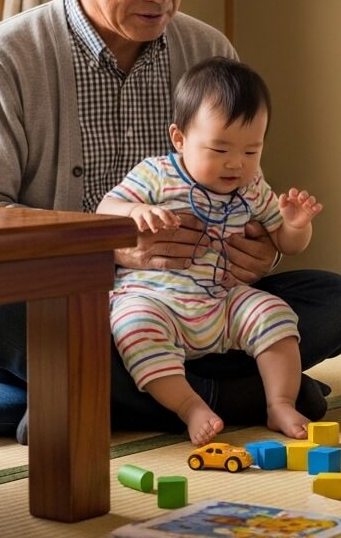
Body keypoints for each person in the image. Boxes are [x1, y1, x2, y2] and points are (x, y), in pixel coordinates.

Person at [0, 0, 341, 442]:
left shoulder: (207, 49)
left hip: (197, 303)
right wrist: (108, 251)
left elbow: (238, 178)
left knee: (335, 300)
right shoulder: (6, 57)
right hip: (66, 300)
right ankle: (234, 392)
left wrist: (260, 250)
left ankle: (99, 393)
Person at [100, 58, 323, 444]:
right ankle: (190, 405)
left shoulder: (253, 187)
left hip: (222, 302)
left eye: (252, 151)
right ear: (179, 139)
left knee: (275, 312)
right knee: (133, 325)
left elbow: (287, 245)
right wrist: (137, 211)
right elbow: (106, 210)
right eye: (219, 149)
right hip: (156, 301)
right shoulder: (155, 173)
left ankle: (280, 402)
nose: (236, 163)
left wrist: (296, 225)